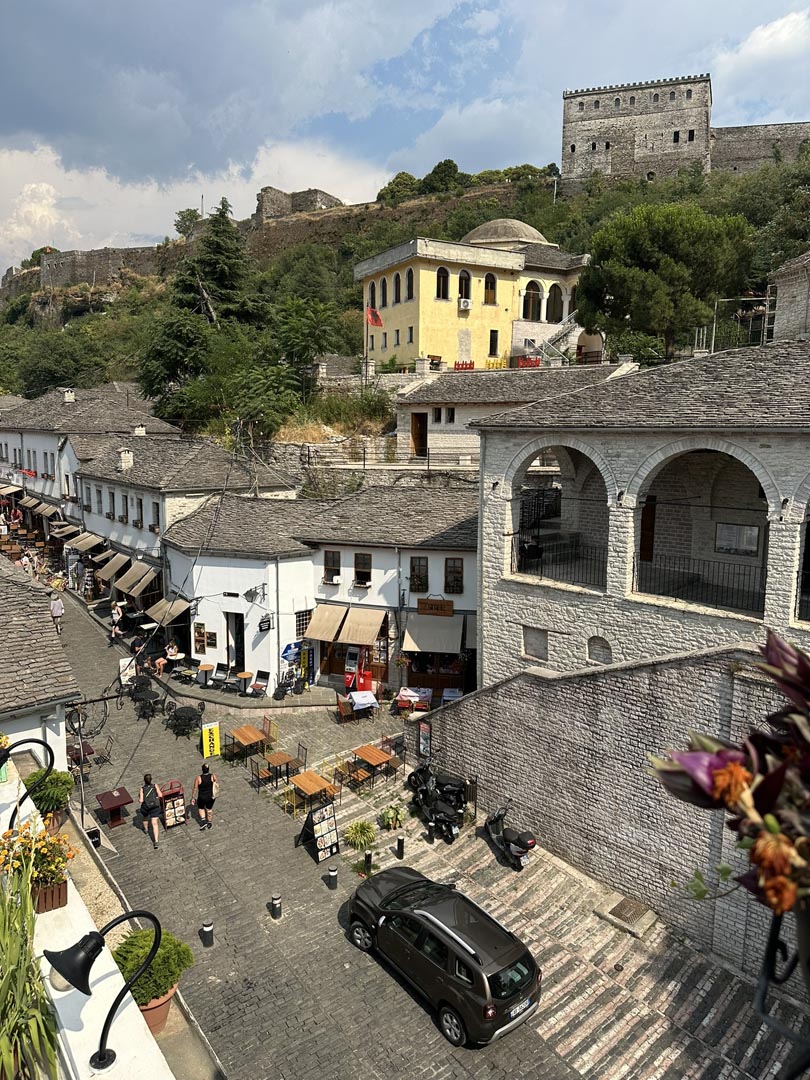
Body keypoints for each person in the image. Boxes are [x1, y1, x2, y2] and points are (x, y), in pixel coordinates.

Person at [139, 773, 163, 849]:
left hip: (146, 807)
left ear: (144, 780)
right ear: (151, 779)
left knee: (145, 817)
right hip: (155, 807)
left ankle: (146, 829)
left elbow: (141, 800)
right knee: (155, 823)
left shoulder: (142, 789)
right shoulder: (155, 785)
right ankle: (156, 841)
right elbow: (160, 795)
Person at [191, 763, 217, 830]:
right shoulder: (213, 776)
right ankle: (209, 822)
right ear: (208, 769)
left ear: (202, 770)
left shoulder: (198, 778)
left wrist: (193, 797)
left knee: (201, 808)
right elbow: (216, 784)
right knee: (209, 809)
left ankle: (203, 821)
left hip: (202, 797)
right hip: (210, 797)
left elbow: (195, 788)